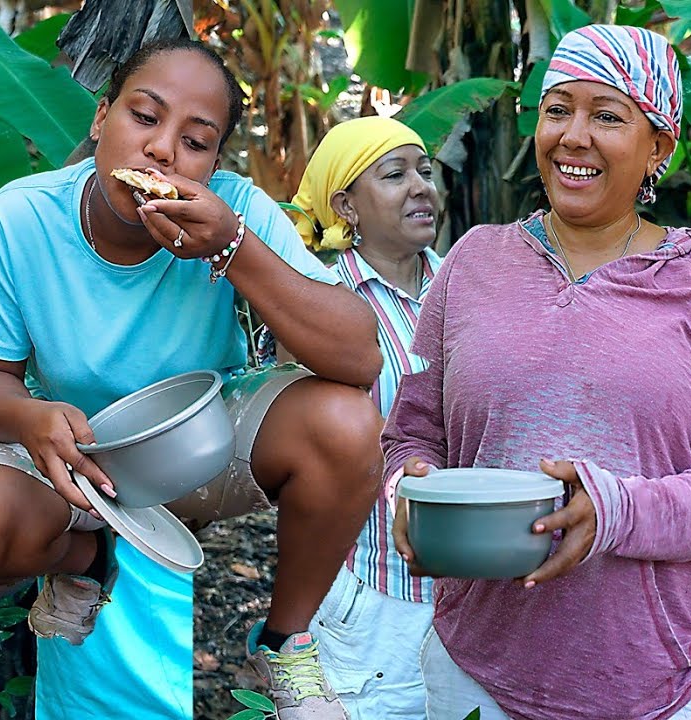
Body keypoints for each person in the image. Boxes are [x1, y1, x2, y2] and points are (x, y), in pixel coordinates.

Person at [0, 37, 385, 720]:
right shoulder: (22, 215)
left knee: (346, 421)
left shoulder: (234, 210)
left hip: (199, 445)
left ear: (214, 164)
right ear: (101, 119)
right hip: (71, 456)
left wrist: (232, 248)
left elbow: (360, 359)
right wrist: (33, 419)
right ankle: (83, 558)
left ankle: (282, 643)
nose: (161, 151)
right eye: (145, 117)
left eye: (196, 140)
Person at [383, 25, 691, 719]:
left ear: (660, 144)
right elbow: (412, 435)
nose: (573, 135)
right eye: (557, 108)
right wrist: (406, 490)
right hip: (477, 668)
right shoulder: (474, 263)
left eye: (607, 116)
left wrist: (617, 511)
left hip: (660, 681)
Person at [283, 116, 441, 719]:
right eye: (395, 174)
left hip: (480, 592)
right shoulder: (322, 301)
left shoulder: (466, 285)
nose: (421, 186)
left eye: (425, 171)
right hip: (376, 595)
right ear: (346, 205)